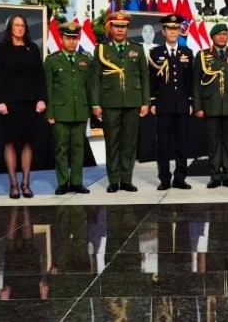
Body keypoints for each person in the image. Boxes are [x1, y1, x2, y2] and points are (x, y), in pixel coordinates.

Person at [92, 10, 149, 193]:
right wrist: (95, 103)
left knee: (129, 143)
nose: (119, 30)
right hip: (110, 102)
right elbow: (95, 79)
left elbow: (144, 77)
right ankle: (113, 180)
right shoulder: (102, 49)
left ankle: (126, 179)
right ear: (110, 27)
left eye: (123, 27)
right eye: (116, 26)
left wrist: (145, 102)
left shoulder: (137, 49)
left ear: (127, 29)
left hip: (132, 101)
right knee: (112, 142)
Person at [0, 13, 47, 199]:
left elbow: (40, 76)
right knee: (10, 143)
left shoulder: (33, 48)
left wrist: (41, 99)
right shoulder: (0, 49)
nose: (19, 28)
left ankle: (26, 184)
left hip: (30, 102)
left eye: (22, 25)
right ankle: (13, 184)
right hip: (8, 103)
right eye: (16, 25)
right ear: (10, 28)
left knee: (27, 142)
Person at [193, 22, 228, 188]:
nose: (222, 37)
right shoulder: (202, 55)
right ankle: (215, 175)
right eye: (219, 34)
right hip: (211, 105)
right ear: (212, 37)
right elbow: (195, 84)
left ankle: (227, 174)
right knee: (213, 142)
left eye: (225, 34)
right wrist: (198, 106)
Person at [45, 21, 93, 194]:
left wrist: (89, 110)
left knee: (79, 148)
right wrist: (50, 111)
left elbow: (88, 87)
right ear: (61, 38)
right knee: (61, 148)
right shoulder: (52, 60)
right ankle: (63, 182)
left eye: (74, 38)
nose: (72, 42)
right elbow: (48, 88)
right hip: (60, 111)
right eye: (68, 38)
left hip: (80, 110)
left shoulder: (85, 60)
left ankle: (77, 181)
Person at [149, 13, 193, 191]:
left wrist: (190, 101)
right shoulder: (156, 52)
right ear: (164, 31)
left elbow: (190, 79)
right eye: (170, 29)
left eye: (176, 29)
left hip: (182, 104)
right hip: (163, 104)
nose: (173, 32)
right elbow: (152, 79)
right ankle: (165, 178)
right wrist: (152, 101)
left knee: (182, 142)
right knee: (164, 143)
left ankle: (180, 178)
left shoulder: (187, 52)